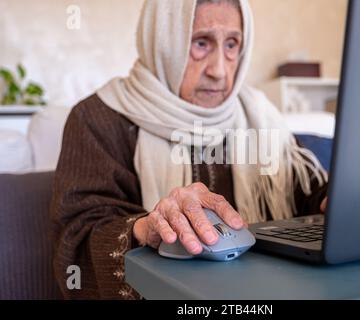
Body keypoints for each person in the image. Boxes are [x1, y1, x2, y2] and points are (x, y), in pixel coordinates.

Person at [50, 0, 328, 300]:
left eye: (232, 44)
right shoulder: (98, 118)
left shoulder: (260, 115)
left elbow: (309, 198)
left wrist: (338, 199)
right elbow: (76, 242)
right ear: (163, 41)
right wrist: (148, 229)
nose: (220, 71)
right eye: (200, 43)